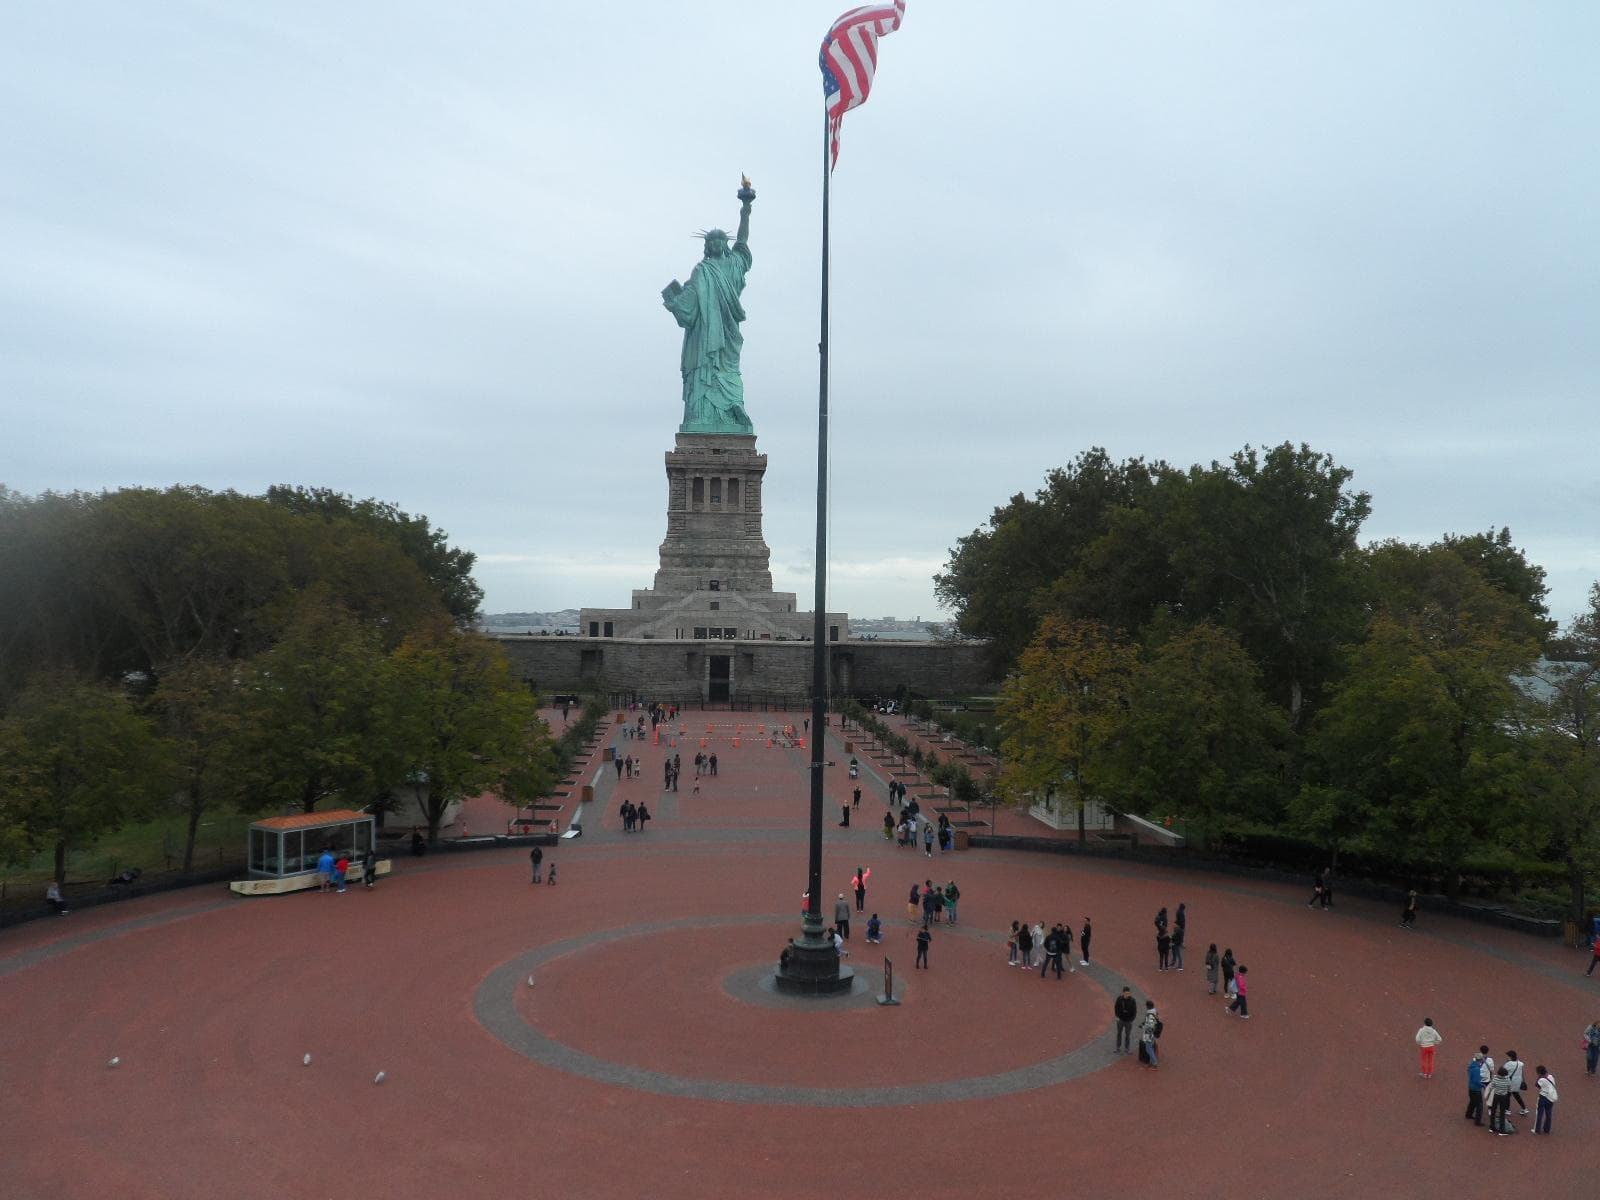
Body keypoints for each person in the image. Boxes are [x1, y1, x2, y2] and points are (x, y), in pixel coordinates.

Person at [661, 189, 757, 435]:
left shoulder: (734, 264)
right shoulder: (701, 271)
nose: (715, 242)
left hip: (726, 333)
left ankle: (732, 408)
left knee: (728, 371)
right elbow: (689, 306)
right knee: (705, 371)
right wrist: (675, 301)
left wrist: (745, 209)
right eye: (710, 240)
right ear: (706, 246)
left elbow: (743, 241)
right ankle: (702, 414)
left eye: (719, 239)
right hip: (704, 336)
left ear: (725, 244)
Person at [1504, 1050, 1530, 1117]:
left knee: (1508, 1095)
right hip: (1518, 1081)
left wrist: (1507, 1062)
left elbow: (1503, 1071)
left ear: (1510, 1057)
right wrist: (1523, 1080)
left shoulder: (1508, 1064)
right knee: (1516, 1094)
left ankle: (1507, 1110)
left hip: (1511, 1081)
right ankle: (1524, 1108)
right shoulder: (1520, 1063)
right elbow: (1522, 1073)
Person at [1489, 1066, 1513, 1135]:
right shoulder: (1507, 1080)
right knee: (1502, 1113)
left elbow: (1492, 1087)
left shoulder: (1495, 1079)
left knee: (1493, 1111)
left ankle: (1491, 1127)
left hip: (1496, 1096)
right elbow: (1509, 1089)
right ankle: (1502, 1130)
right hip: (1503, 1097)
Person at [1113, 987, 1138, 1054]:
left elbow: (1135, 1011)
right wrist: (1117, 1016)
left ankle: (1127, 1048)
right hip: (1120, 1020)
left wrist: (1132, 1019)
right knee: (1119, 1034)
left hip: (1128, 1021)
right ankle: (1118, 1047)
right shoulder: (1119, 999)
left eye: (1128, 993)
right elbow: (1116, 1007)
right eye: (1126, 993)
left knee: (1128, 1035)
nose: (1127, 994)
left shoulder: (1133, 1000)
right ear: (1123, 993)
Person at [1465, 1052, 1486, 1125]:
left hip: (1471, 1088)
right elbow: (1476, 1081)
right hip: (1476, 1089)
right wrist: (1483, 1085)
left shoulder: (1472, 1065)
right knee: (1479, 1106)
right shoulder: (1477, 1069)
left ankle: (1468, 1114)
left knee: (1472, 1102)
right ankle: (1477, 1121)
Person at [1534, 1066, 1557, 1134]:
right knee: (1548, 1113)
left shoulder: (1541, 1080)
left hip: (1543, 1097)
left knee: (1540, 1113)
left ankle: (1537, 1130)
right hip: (1550, 1097)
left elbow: (1536, 1085)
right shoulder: (1551, 1076)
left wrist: (1539, 1077)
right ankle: (1547, 1129)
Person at [1141, 1001, 1162, 1069]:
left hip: (1149, 1033)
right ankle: (1151, 1062)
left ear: (1148, 1006)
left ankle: (1154, 1063)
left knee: (1148, 1048)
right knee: (1151, 1047)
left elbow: (1150, 1026)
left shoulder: (1150, 1014)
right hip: (1154, 1032)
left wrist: (1143, 1026)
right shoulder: (1155, 1011)